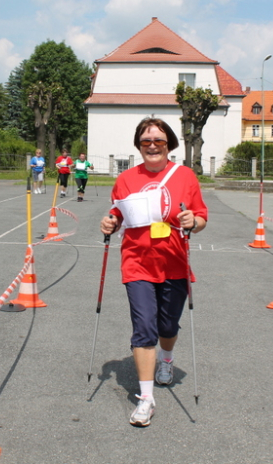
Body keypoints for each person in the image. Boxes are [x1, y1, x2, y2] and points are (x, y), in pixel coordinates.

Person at [100, 117, 207, 427]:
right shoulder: (126, 179)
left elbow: (200, 218)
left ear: (168, 144)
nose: (152, 145)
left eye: (158, 140)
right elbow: (117, 214)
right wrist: (109, 222)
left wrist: (192, 222)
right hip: (137, 261)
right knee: (144, 327)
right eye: (146, 141)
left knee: (167, 325)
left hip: (174, 261)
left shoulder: (185, 176)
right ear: (138, 145)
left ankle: (167, 359)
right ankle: (146, 399)